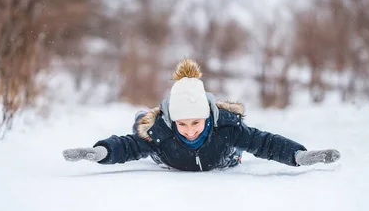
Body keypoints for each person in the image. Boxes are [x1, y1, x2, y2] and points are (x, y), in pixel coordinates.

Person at [62, 59, 340, 171]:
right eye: (182, 123)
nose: (190, 129)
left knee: (236, 151)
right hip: (169, 157)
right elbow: (128, 146)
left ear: (207, 117)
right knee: (141, 128)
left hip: (221, 157)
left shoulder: (227, 127)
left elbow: (263, 143)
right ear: (173, 121)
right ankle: (144, 116)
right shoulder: (162, 132)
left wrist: (298, 156)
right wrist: (102, 152)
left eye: (195, 122)